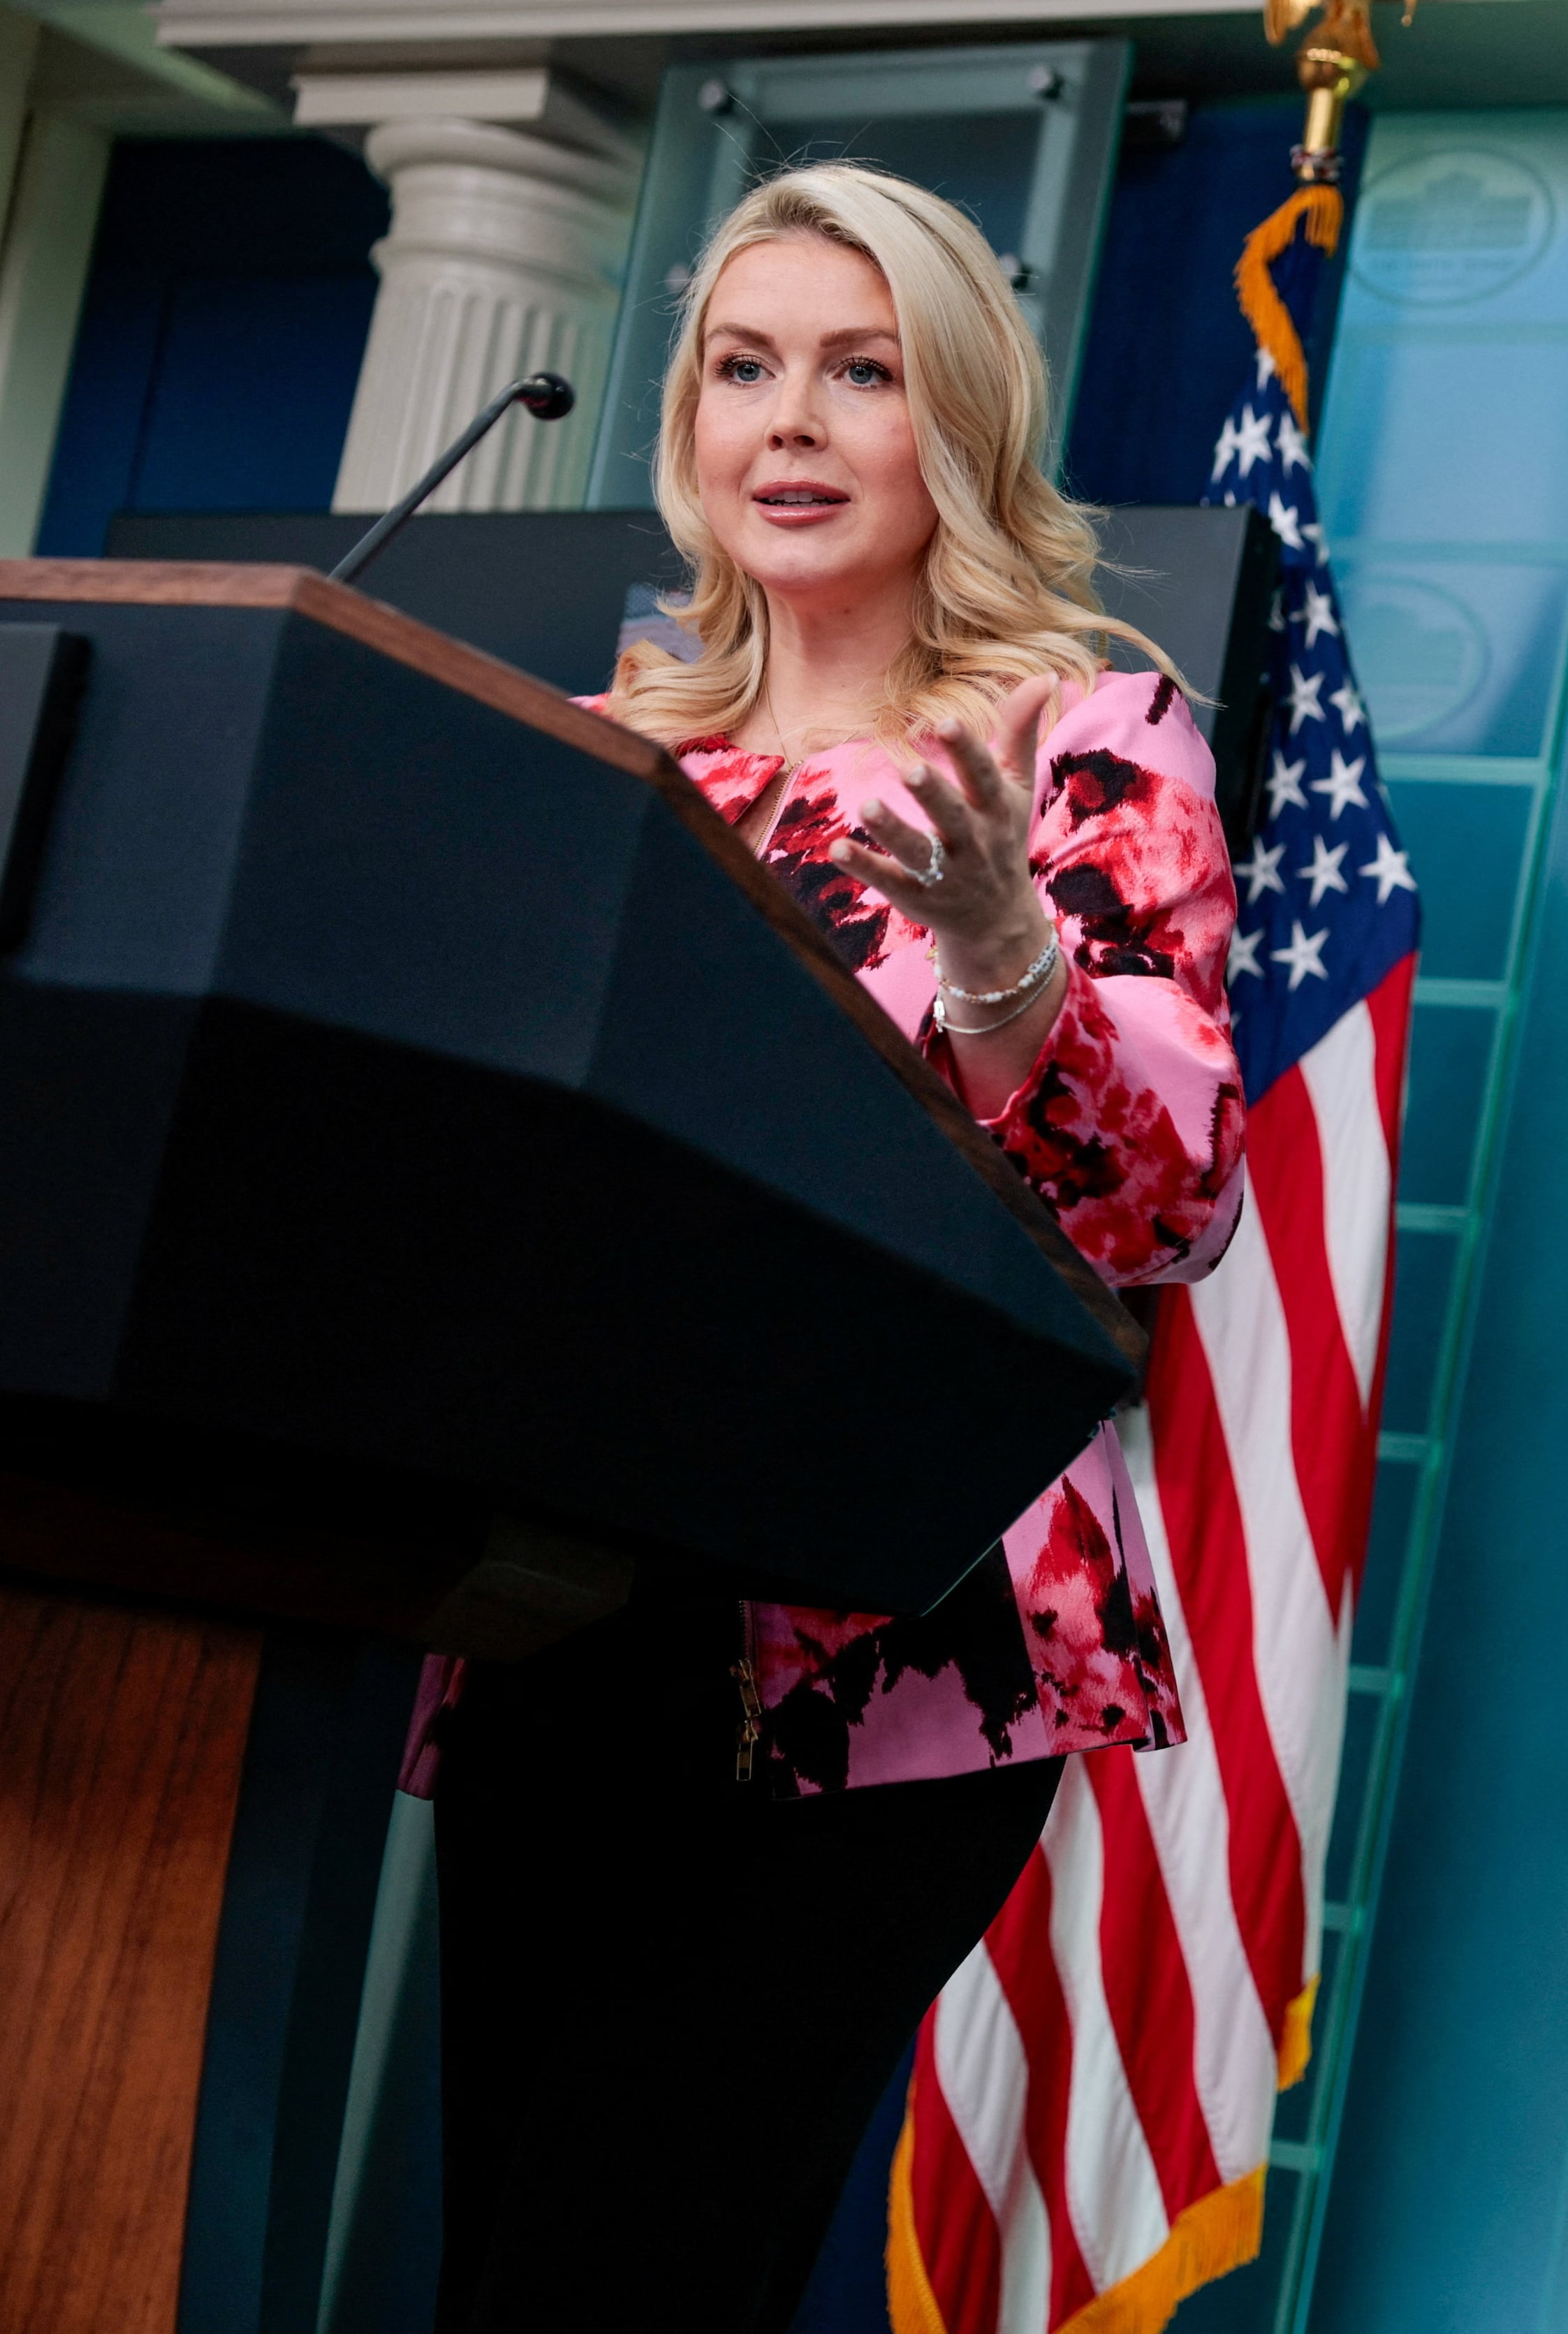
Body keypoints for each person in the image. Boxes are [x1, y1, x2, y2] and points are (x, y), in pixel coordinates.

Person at [420, 166, 1246, 2331]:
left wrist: (1003, 956)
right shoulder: (603, 761)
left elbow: (1172, 1206)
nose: (788, 419)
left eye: (860, 371)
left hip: (891, 1633)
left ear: (956, 419)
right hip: (549, 1597)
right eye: (744, 367)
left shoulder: (1082, 739)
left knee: (629, 2266)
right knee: (502, 2237)